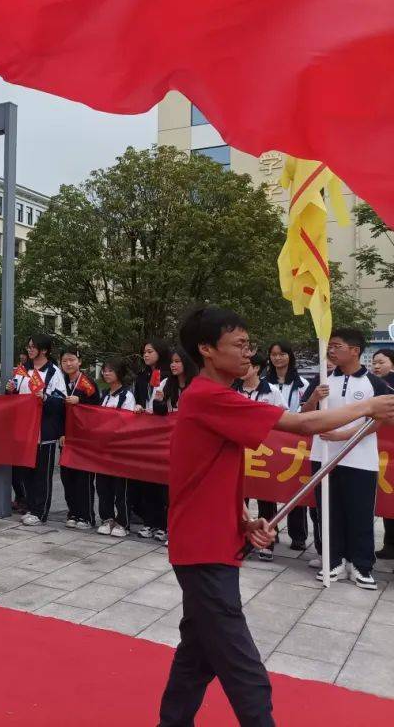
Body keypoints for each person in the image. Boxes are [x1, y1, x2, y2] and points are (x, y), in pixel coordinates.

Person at [157, 306, 394, 727]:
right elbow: (303, 424)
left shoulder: (213, 397)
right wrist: (369, 405)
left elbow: (208, 477)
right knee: (241, 664)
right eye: (239, 345)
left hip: (210, 542)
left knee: (198, 651)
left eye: (250, 345)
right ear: (207, 349)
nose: (249, 353)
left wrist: (243, 521)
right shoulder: (210, 396)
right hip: (202, 550)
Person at [300, 328, 388, 590]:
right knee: (328, 511)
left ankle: (361, 565)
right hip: (323, 456)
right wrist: (315, 397)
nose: (331, 350)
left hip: (359, 460)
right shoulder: (323, 379)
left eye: (337, 346)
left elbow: (382, 419)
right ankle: (333, 560)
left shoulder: (374, 383)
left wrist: (345, 435)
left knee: (359, 513)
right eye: (331, 346)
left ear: (355, 351)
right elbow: (303, 414)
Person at [232, 353, 287, 561]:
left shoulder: (271, 391)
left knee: (265, 497)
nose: (242, 369)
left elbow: (284, 418)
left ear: (257, 369)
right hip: (239, 451)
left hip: (264, 451)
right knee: (239, 495)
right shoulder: (233, 390)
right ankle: (241, 537)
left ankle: (267, 542)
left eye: (246, 366)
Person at [9, 336, 67, 527]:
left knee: (42, 474)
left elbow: (60, 401)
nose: (30, 349)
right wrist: (10, 390)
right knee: (25, 471)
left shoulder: (53, 372)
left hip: (44, 432)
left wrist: (46, 397)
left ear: (44, 350)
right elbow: (14, 398)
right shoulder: (23, 370)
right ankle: (30, 505)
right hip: (25, 430)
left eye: (34, 346)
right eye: (29, 346)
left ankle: (40, 512)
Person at [264, 341, 310, 551]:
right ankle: (269, 531)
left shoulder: (303, 384)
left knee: (294, 487)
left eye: (282, 354)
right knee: (267, 488)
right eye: (274, 354)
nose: (277, 358)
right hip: (270, 441)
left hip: (294, 441)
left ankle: (298, 535)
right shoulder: (264, 382)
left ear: (290, 356)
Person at [134, 339, 173, 542]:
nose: (146, 355)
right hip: (146, 431)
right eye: (144, 352)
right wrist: (139, 406)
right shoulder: (142, 376)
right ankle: (149, 522)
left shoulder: (169, 376)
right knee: (146, 479)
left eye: (150, 351)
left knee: (162, 483)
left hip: (164, 432)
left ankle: (163, 524)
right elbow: (139, 398)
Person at [59, 347, 101, 528]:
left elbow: (97, 409)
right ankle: (73, 512)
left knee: (83, 478)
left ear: (79, 362)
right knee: (67, 477)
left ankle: (86, 516)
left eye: (72, 360)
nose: (68, 364)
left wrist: (81, 401)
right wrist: (60, 433)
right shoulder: (60, 382)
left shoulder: (87, 383)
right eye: (64, 361)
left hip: (84, 439)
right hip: (66, 438)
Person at [96, 360, 136, 538]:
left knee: (121, 487)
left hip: (120, 449)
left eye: (110, 370)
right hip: (103, 448)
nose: (106, 373)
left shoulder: (126, 396)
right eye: (104, 370)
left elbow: (127, 421)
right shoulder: (104, 395)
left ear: (119, 373)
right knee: (103, 485)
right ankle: (107, 518)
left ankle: (123, 521)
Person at [372, 347, 394, 561]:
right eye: (374, 362)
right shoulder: (372, 385)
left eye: (381, 362)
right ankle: (389, 544)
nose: (377, 366)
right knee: (387, 499)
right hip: (380, 452)